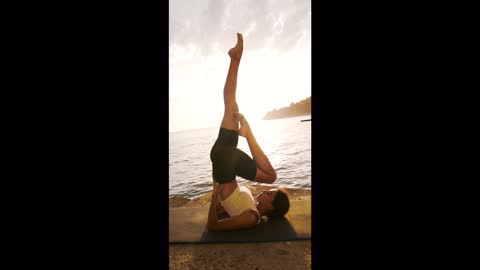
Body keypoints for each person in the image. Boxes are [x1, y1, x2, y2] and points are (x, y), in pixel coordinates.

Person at [207, 33, 290, 232]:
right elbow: (225, 206)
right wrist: (219, 199)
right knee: (231, 105)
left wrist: (213, 196)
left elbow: (213, 227)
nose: (266, 192)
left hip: (226, 162)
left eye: (270, 195)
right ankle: (235, 59)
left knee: (271, 177)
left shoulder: (252, 218)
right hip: (223, 160)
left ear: (271, 208)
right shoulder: (251, 203)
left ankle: (248, 132)